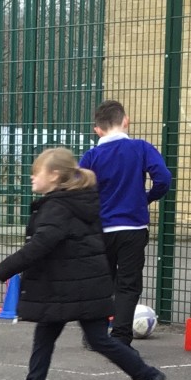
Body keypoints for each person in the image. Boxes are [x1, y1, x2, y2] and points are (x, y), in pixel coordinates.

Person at [0, 148, 165, 380]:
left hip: (78, 286)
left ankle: (150, 375)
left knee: (98, 339)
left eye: (36, 173)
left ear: (53, 176)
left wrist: (6, 267)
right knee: (47, 334)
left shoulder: (58, 206)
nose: (32, 178)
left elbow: (42, 244)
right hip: (73, 284)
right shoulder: (74, 200)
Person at [78, 100, 172, 342]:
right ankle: (121, 336)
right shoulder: (141, 148)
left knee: (101, 282)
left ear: (97, 129)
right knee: (128, 284)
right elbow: (163, 177)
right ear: (126, 121)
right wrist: (147, 198)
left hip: (101, 229)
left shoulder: (91, 156)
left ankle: (94, 335)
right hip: (133, 227)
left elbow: (78, 190)